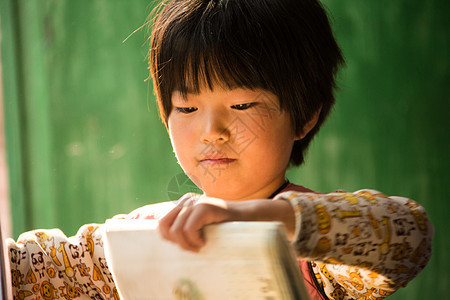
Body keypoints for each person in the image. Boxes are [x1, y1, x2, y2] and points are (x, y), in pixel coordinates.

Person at [7, 0, 433, 299]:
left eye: (243, 105)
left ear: (304, 116)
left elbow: (408, 236)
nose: (212, 131)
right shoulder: (140, 239)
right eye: (187, 107)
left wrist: (253, 219)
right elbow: (23, 272)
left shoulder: (316, 249)